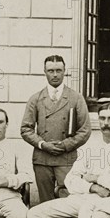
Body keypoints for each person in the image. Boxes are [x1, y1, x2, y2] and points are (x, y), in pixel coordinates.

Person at [20, 55, 91, 203]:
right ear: (44, 72)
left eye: (58, 70)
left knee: (69, 202)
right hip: (42, 159)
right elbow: (26, 129)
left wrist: (65, 145)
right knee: (46, 203)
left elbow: (85, 130)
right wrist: (43, 144)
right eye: (50, 70)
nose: (55, 75)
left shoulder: (76, 98)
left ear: (64, 71)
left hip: (66, 159)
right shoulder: (36, 98)